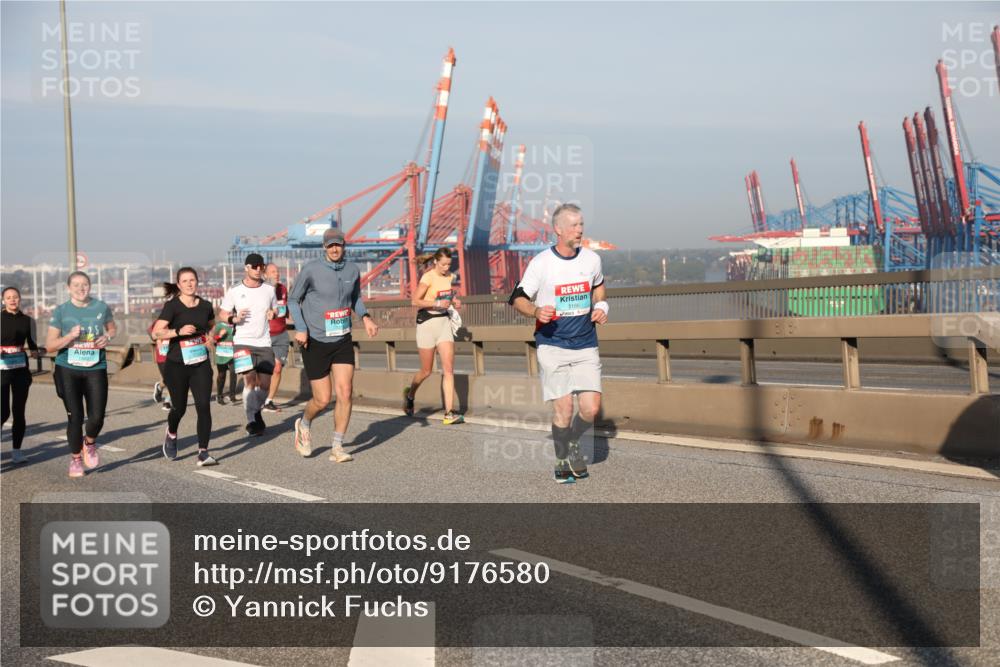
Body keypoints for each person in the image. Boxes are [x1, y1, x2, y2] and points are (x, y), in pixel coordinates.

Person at [508, 204, 608, 484]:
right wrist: (535, 311)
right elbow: (518, 298)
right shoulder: (541, 263)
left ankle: (572, 439)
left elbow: (598, 286)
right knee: (563, 408)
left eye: (582, 224)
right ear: (559, 229)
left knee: (590, 408)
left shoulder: (592, 260)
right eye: (575, 225)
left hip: (586, 342)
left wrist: (602, 305)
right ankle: (562, 455)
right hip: (552, 344)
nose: (580, 230)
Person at [288, 227, 379, 462]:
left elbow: (355, 298)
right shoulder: (311, 270)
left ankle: (337, 447)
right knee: (322, 399)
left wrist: (366, 317)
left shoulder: (352, 269)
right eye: (330, 246)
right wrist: (301, 328)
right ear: (324, 248)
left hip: (342, 339)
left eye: (338, 245)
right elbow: (293, 299)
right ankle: (304, 424)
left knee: (345, 392)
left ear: (344, 245)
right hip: (315, 340)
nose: (335, 249)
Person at [45, 271, 116, 478]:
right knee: (75, 417)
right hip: (68, 369)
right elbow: (50, 346)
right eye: (76, 285)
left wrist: (107, 337)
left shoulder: (101, 307)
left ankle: (90, 442)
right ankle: (76, 459)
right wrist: (69, 337)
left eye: (84, 284)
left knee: (97, 417)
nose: (80, 288)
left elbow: (112, 329)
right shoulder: (61, 311)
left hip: (95, 367)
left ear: (90, 286)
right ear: (68, 288)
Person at [152, 268, 218, 466]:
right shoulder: (173, 306)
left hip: (200, 363)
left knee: (204, 406)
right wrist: (178, 331)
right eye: (185, 281)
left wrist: (210, 339)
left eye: (192, 280)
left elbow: (212, 326)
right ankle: (172, 433)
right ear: (179, 285)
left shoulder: (206, 305)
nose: (189, 284)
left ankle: (203, 452)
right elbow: (156, 333)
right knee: (179, 408)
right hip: (177, 365)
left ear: (197, 282)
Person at [403, 248, 464, 424]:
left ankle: (449, 413)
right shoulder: (428, 277)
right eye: (443, 264)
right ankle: (410, 394)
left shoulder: (450, 277)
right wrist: (437, 303)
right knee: (426, 371)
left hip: (444, 324)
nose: (446, 267)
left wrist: (454, 300)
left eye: (449, 264)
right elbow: (415, 301)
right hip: (427, 325)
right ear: (436, 261)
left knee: (448, 369)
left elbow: (447, 294)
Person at [219, 253, 277, 436]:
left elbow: (276, 308)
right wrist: (234, 318)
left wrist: (273, 313)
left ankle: (256, 410)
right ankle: (251, 420)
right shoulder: (235, 290)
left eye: (261, 266)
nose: (258, 269)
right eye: (254, 266)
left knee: (265, 385)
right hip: (242, 341)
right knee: (250, 380)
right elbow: (222, 313)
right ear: (246, 268)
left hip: (264, 341)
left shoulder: (269, 289)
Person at [2, 286, 40, 464]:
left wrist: (36, 351)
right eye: (8, 297)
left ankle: (16, 451)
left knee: (19, 412)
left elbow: (32, 345)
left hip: (20, 370)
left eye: (15, 297)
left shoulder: (28, 321)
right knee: (2, 413)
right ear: (3, 300)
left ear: (19, 300)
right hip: (1, 371)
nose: (12, 300)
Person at [263, 263, 289, 413]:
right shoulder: (261, 291)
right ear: (265, 275)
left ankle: (269, 401)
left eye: (277, 271)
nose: (276, 274)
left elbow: (286, 310)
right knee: (263, 371)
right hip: (264, 335)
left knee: (277, 369)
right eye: (273, 272)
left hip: (281, 334)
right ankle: (259, 397)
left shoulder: (283, 289)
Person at [211, 320, 238, 405]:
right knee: (222, 374)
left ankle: (232, 395)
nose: (230, 314)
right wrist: (220, 335)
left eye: (232, 312)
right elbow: (213, 340)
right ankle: (219, 395)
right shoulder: (219, 326)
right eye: (228, 312)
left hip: (232, 353)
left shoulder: (235, 325)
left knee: (233, 372)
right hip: (222, 353)